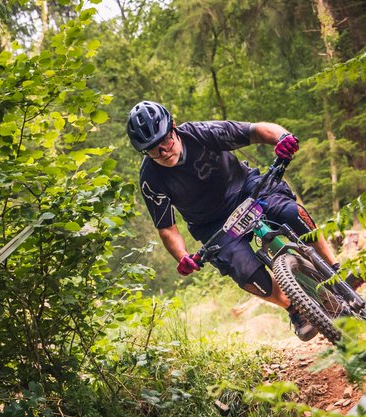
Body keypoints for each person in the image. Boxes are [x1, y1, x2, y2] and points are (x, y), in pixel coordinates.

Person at [128, 100, 353, 340]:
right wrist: (182, 256)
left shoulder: (201, 133)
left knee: (290, 213)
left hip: (246, 189)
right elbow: (167, 228)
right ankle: (294, 308)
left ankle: (334, 269)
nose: (164, 151)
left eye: (166, 140)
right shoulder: (150, 179)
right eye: (154, 149)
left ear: (173, 127)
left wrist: (283, 137)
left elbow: (255, 131)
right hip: (212, 224)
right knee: (244, 271)